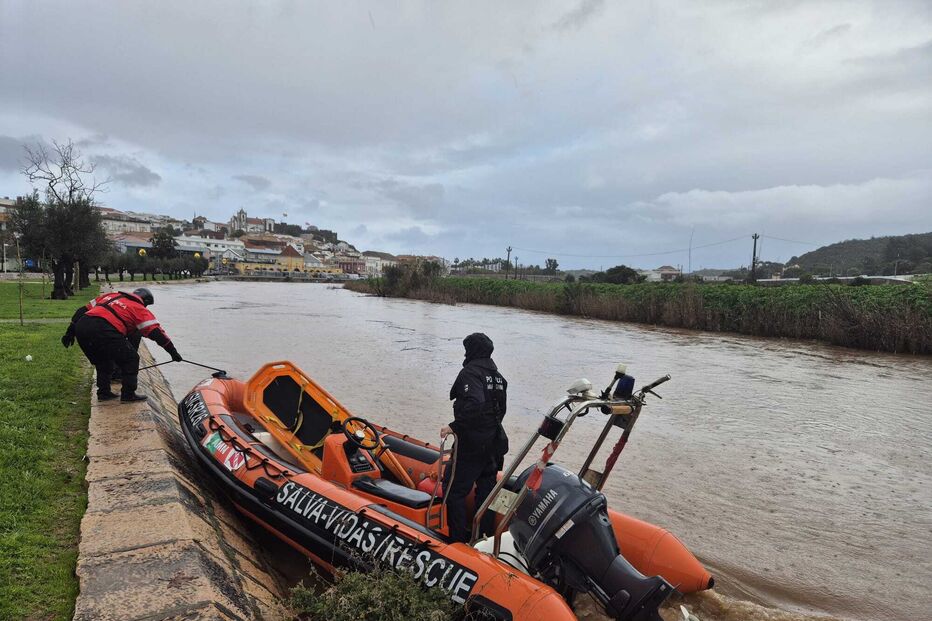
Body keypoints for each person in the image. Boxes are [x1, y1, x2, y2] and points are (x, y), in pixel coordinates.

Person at [441, 332, 508, 543]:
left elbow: (475, 404)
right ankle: (482, 539)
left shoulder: (471, 373)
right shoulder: (498, 377)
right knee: (486, 493)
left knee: (454, 491)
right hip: (494, 443)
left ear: (472, 350)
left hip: (472, 444)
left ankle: (457, 541)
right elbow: (500, 410)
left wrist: (454, 426)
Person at [61, 287, 182, 402]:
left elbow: (81, 311)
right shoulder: (139, 309)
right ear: (144, 301)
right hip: (105, 329)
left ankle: (104, 393)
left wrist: (69, 333)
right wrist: (173, 353)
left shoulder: (110, 296)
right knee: (131, 359)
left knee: (103, 360)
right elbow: (157, 334)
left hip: (83, 326)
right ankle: (128, 395)